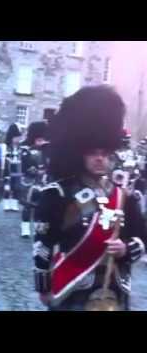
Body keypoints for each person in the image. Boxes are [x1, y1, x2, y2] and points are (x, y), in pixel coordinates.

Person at [34, 85, 147, 311]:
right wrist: (44, 286)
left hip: (114, 290)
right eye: (92, 153)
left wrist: (126, 249)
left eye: (104, 154)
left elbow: (142, 236)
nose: (99, 159)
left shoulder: (124, 194)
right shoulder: (58, 193)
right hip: (73, 286)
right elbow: (43, 245)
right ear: (79, 152)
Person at [19, 121, 49, 238]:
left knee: (40, 207)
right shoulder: (26, 150)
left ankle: (37, 228)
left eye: (42, 139)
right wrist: (34, 171)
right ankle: (25, 229)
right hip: (29, 180)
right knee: (27, 205)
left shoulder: (47, 150)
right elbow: (24, 165)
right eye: (39, 139)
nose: (40, 142)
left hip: (44, 181)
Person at [3, 123, 23, 212]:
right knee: (7, 187)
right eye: (16, 137)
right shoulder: (6, 147)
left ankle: (14, 204)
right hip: (8, 168)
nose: (18, 139)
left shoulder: (21, 147)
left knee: (16, 187)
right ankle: (6, 203)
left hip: (18, 169)